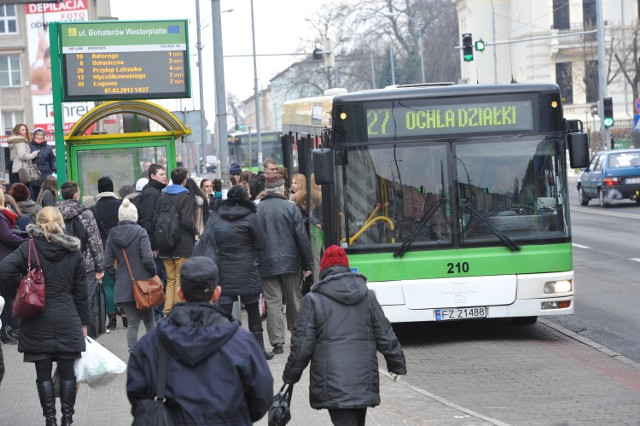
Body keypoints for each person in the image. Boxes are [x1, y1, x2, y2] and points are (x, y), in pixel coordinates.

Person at [126, 256, 274, 425]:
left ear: (180, 293)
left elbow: (137, 395)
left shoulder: (152, 343)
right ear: (217, 293)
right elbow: (262, 396)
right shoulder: (242, 342)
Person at [283, 245, 407, 426]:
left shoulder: (314, 299)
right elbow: (385, 333)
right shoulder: (367, 295)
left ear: (324, 270)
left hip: (333, 384)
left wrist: (290, 376)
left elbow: (302, 346)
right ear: (347, 267)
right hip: (364, 380)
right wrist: (396, 364)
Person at [0, 206, 89, 426]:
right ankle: (67, 420)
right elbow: (81, 292)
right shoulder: (73, 251)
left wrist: (18, 292)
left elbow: (4, 270)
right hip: (68, 317)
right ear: (62, 223)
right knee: (68, 375)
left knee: (43, 376)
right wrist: (84, 323)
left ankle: (50, 420)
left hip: (36, 319)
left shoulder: (28, 248)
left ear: (38, 224)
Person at [199, 185, 272, 359]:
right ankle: (259, 351)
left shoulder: (215, 217)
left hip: (223, 271)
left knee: (223, 313)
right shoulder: (251, 217)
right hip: (248, 270)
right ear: (244, 198)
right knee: (253, 311)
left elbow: (208, 242)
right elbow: (262, 243)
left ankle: (223, 352)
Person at [257, 174, 313, 355]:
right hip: (290, 262)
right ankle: (297, 336)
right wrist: (308, 264)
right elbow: (302, 239)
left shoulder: (257, 209)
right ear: (281, 189)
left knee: (273, 302)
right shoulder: (291, 208)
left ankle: (277, 342)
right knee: (293, 300)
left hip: (266, 263)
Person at [104, 199, 156, 352]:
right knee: (149, 320)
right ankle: (153, 353)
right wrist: (152, 274)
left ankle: (133, 355)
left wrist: (117, 278)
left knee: (133, 322)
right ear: (135, 216)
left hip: (124, 285)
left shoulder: (112, 236)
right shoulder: (141, 232)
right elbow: (148, 258)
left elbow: (107, 264)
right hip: (144, 285)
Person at [57, 181, 105, 338]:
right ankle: (89, 339)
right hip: (86, 265)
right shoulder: (86, 213)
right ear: (76, 195)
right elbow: (95, 242)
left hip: (62, 264)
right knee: (87, 303)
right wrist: (100, 267)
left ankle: (70, 337)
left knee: (67, 302)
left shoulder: (54, 213)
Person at [153, 167, 197, 316]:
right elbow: (187, 220)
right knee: (179, 279)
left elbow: (155, 219)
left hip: (165, 245)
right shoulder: (186, 196)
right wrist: (195, 233)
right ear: (184, 180)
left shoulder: (162, 196)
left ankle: (167, 312)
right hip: (182, 244)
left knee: (170, 280)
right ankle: (178, 313)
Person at [91, 177, 127, 333]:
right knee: (124, 280)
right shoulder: (121, 205)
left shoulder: (93, 209)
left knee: (107, 284)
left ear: (98, 190)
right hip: (121, 249)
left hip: (103, 250)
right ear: (112, 188)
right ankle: (125, 311)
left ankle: (111, 318)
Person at [136, 165, 167, 319]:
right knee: (157, 280)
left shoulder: (155, 191)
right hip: (154, 246)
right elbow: (147, 221)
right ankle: (157, 314)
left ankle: (158, 312)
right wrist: (153, 245)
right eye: (161, 174)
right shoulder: (151, 193)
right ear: (152, 176)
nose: (164, 176)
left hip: (155, 243)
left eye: (165, 174)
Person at [0, 189, 29, 345]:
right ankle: (3, 330)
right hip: (3, 260)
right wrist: (25, 241)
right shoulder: (0, 216)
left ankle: (4, 329)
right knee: (5, 298)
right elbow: (6, 236)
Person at [29, 128, 56, 201]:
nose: (39, 136)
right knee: (35, 196)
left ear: (44, 136)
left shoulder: (48, 147)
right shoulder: (29, 146)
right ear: (34, 136)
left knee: (46, 196)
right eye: (37, 134)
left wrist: (54, 167)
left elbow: (52, 159)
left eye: (41, 135)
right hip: (34, 176)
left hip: (46, 175)